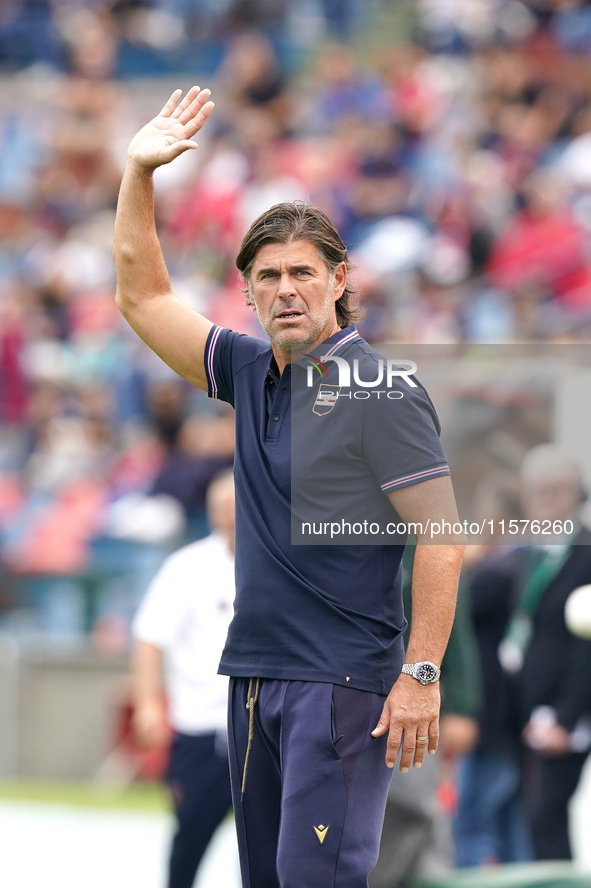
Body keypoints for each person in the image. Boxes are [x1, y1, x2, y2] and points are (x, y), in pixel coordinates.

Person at [114, 85, 465, 888]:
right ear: (245, 290)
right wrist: (138, 174)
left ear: (340, 278)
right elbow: (142, 296)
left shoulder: (379, 389)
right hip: (252, 679)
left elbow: (441, 537)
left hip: (340, 685)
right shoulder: (245, 369)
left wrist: (419, 677)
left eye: (303, 273)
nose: (285, 290)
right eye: (266, 276)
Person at [131, 470, 235, 888]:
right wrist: (147, 703)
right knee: (190, 836)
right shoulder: (187, 566)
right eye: (221, 504)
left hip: (261, 730)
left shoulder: (276, 565)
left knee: (266, 844)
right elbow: (149, 637)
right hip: (201, 729)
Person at [514, 445, 591, 860]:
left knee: (547, 817)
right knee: (530, 819)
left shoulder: (586, 554)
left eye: (556, 490)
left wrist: (565, 717)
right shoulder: (530, 555)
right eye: (537, 491)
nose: (545, 500)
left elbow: (586, 649)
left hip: (567, 717)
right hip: (528, 714)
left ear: (577, 494)